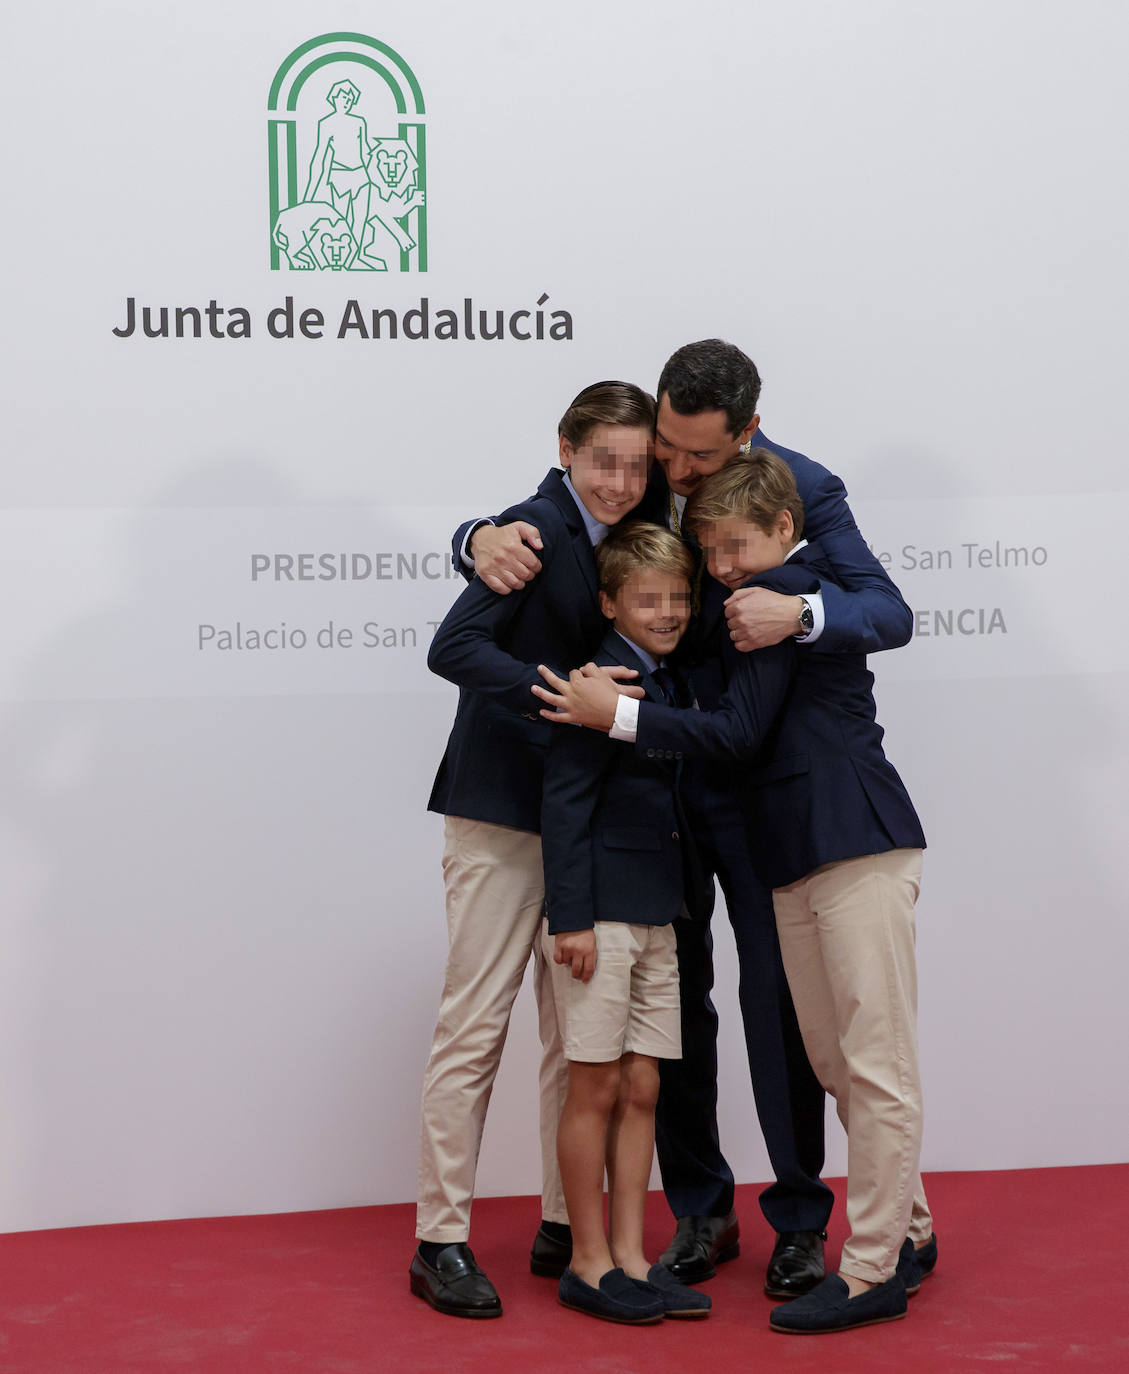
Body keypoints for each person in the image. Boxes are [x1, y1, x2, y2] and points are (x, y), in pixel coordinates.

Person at [459, 340, 913, 1298]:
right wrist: (469, 536)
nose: (671, 472)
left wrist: (804, 618)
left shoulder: (801, 487)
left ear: (746, 434)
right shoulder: (635, 473)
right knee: (672, 1014)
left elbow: (886, 609)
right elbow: (543, 518)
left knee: (778, 1006)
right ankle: (700, 1210)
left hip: (755, 788)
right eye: (666, 445)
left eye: (695, 457)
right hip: (647, 794)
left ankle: (797, 1217)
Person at [532, 450, 938, 1333]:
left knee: (872, 1064)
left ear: (783, 533)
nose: (720, 573)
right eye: (708, 551)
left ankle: (871, 1270)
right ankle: (907, 1224)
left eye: (736, 549)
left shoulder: (780, 595)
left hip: (852, 839)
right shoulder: (739, 588)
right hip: (789, 852)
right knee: (835, 1059)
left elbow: (743, 727)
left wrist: (620, 716)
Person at [410, 381, 655, 1319]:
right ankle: (440, 1240)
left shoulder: (636, 521)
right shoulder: (528, 528)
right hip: (501, 812)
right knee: (474, 1025)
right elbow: (452, 647)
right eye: (604, 461)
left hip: (587, 818)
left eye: (636, 464)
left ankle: (565, 1224)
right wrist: (556, 695)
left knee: (577, 1035)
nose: (621, 481)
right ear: (565, 449)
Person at [541, 521, 712, 1324]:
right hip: (601, 916)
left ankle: (634, 1256)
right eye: (649, 598)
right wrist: (569, 917)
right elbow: (565, 803)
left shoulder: (672, 681)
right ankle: (585, 1260)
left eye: (679, 596)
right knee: (597, 1085)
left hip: (659, 913)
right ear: (611, 602)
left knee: (644, 1085)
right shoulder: (597, 681)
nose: (669, 611)